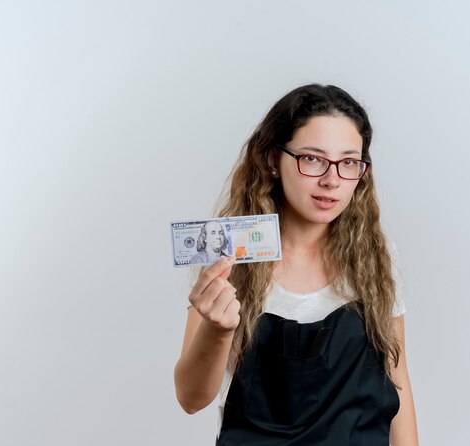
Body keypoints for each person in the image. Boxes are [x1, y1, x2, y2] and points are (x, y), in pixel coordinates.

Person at [174, 84, 419, 445]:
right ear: (274, 160)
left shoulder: (376, 258)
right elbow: (191, 398)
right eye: (312, 158)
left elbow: (397, 380)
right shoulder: (230, 258)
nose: (331, 179)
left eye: (349, 161)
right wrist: (219, 329)